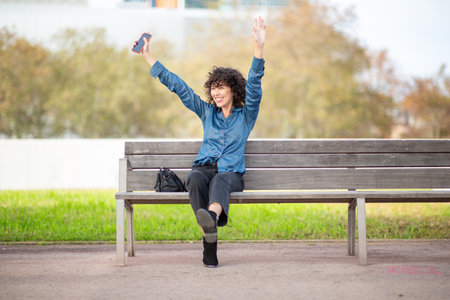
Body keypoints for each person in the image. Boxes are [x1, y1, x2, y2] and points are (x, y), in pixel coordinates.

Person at [141, 17, 266, 268]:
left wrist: (259, 47)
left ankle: (210, 227)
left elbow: (254, 83)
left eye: (221, 88)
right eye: (213, 89)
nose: (216, 93)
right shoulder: (207, 112)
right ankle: (209, 234)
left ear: (233, 90)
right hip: (203, 169)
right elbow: (180, 88)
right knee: (195, 178)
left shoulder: (246, 115)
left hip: (230, 174)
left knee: (220, 180)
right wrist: (149, 58)